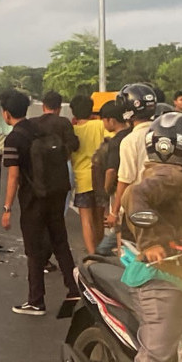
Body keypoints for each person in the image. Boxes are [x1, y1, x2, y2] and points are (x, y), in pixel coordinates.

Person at [116, 111, 182, 362]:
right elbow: (135, 196)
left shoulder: (169, 174)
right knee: (156, 358)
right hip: (161, 279)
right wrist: (152, 242)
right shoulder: (171, 174)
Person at [0, 89, 78, 315]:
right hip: (55, 192)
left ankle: (36, 300)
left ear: (6, 114)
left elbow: (13, 176)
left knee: (34, 249)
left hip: (34, 198)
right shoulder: (40, 128)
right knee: (60, 241)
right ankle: (73, 288)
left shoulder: (14, 138)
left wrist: (7, 208)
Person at [105, 84, 157, 240]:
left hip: (137, 207)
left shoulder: (130, 141)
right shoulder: (162, 134)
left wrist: (114, 212)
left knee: (131, 255)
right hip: (162, 205)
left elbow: (125, 180)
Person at [70, 94, 107, 254]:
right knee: (99, 218)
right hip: (100, 179)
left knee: (86, 220)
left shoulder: (72, 130)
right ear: (91, 111)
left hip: (82, 180)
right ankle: (100, 250)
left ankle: (91, 254)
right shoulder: (99, 125)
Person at [95, 101, 131, 256]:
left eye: (103, 120)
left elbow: (111, 171)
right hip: (137, 192)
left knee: (117, 237)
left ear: (111, 120)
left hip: (121, 194)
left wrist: (106, 189)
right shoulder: (132, 134)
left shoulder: (116, 142)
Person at [36, 91, 80, 214]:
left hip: (39, 166)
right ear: (59, 108)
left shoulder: (34, 123)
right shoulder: (64, 122)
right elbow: (74, 144)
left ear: (43, 106)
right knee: (61, 204)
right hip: (62, 166)